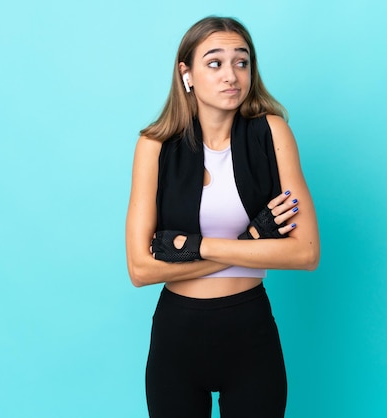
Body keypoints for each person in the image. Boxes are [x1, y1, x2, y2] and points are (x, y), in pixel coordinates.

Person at [125, 16, 320, 418]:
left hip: (250, 329)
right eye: (215, 63)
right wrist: (252, 241)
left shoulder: (272, 132)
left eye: (242, 62)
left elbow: (306, 254)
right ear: (187, 74)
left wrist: (194, 248)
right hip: (176, 336)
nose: (232, 75)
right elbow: (141, 270)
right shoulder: (154, 146)